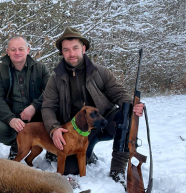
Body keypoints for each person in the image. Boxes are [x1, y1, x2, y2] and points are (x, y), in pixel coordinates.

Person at [41, 27, 144, 180]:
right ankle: (80, 151)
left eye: (75, 48)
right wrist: (54, 129)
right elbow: (48, 107)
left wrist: (133, 105)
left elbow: (119, 93)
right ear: (62, 53)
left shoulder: (101, 72)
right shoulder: (56, 78)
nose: (72, 53)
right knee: (71, 170)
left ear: (83, 48)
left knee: (126, 115)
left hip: (102, 125)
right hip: (74, 132)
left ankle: (117, 170)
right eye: (66, 50)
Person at [0, 35, 51, 159]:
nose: (17, 52)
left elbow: (50, 91)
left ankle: (51, 148)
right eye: (13, 49)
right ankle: (17, 146)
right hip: (12, 115)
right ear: (8, 52)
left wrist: (34, 106)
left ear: (28, 50)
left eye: (21, 49)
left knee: (57, 116)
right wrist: (10, 119)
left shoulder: (40, 68)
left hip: (37, 116)